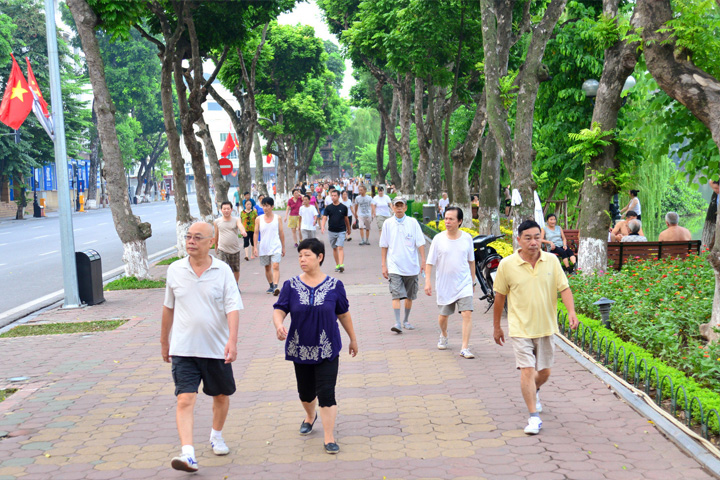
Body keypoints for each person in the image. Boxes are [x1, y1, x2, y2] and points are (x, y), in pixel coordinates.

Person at [161, 221, 243, 472]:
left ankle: (216, 436)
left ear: (212, 242)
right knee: (185, 398)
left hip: (215, 348)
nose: (191, 241)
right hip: (184, 348)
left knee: (220, 395)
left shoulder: (223, 270)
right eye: (188, 236)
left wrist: (232, 340)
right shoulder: (175, 270)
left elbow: (232, 307)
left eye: (197, 237)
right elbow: (168, 307)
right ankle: (188, 454)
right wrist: (164, 341)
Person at [492, 219, 579, 435]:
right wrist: (497, 327)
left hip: (546, 327)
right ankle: (533, 417)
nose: (533, 242)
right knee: (527, 371)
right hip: (520, 328)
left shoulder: (551, 261)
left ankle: (535, 389)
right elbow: (499, 297)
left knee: (545, 372)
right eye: (528, 238)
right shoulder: (507, 265)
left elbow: (564, 289)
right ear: (518, 240)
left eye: (537, 237)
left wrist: (571, 312)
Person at [272, 239, 358, 454]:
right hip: (300, 348)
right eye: (300, 255)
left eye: (307, 255)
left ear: (320, 257)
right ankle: (310, 416)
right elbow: (279, 309)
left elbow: (343, 313)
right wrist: (279, 324)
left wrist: (353, 339)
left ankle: (329, 436)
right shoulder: (290, 286)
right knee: (306, 393)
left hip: (328, 347)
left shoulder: (335, 286)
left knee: (327, 392)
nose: (302, 259)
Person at [424, 207, 476, 358]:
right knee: (443, 317)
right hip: (445, 285)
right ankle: (444, 334)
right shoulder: (438, 239)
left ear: (459, 221)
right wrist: (427, 281)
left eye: (451, 219)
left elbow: (471, 262)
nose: (447, 222)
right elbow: (429, 263)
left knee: (467, 313)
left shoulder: (467, 238)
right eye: (446, 218)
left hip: (464, 283)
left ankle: (465, 347)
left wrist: (472, 282)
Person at [380, 197, 426, 334]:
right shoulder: (388, 223)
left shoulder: (413, 223)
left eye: (401, 206)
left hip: (411, 266)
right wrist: (384, 265)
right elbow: (384, 245)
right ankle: (397, 323)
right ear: (392, 207)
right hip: (394, 266)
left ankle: (405, 320)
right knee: (395, 295)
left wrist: (423, 261)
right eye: (396, 206)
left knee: (409, 296)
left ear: (405, 207)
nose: (399, 208)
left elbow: (420, 242)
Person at [254, 197, 286, 295]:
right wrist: (255, 247)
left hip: (276, 246)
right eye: (263, 205)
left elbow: (281, 233)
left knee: (275, 266)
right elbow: (255, 233)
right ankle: (271, 285)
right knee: (267, 267)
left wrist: (283, 247)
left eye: (267, 206)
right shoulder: (258, 219)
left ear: (272, 207)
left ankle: (276, 287)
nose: (265, 208)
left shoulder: (278, 218)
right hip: (264, 247)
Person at [213, 201, 248, 286]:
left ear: (231, 209)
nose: (226, 210)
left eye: (228, 209)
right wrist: (216, 246)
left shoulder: (236, 220)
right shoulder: (217, 221)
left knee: (236, 269)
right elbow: (216, 235)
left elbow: (240, 226)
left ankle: (235, 285)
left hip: (234, 249)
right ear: (221, 210)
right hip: (222, 249)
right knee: (222, 269)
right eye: (224, 209)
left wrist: (243, 232)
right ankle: (224, 286)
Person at [321, 189, 351, 273]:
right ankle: (337, 264)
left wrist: (349, 228)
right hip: (332, 230)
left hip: (341, 230)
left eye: (335, 196)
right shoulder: (329, 208)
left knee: (340, 247)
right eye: (332, 196)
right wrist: (323, 226)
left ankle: (341, 265)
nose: (333, 197)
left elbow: (346, 219)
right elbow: (324, 217)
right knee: (334, 248)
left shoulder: (343, 207)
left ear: (338, 196)